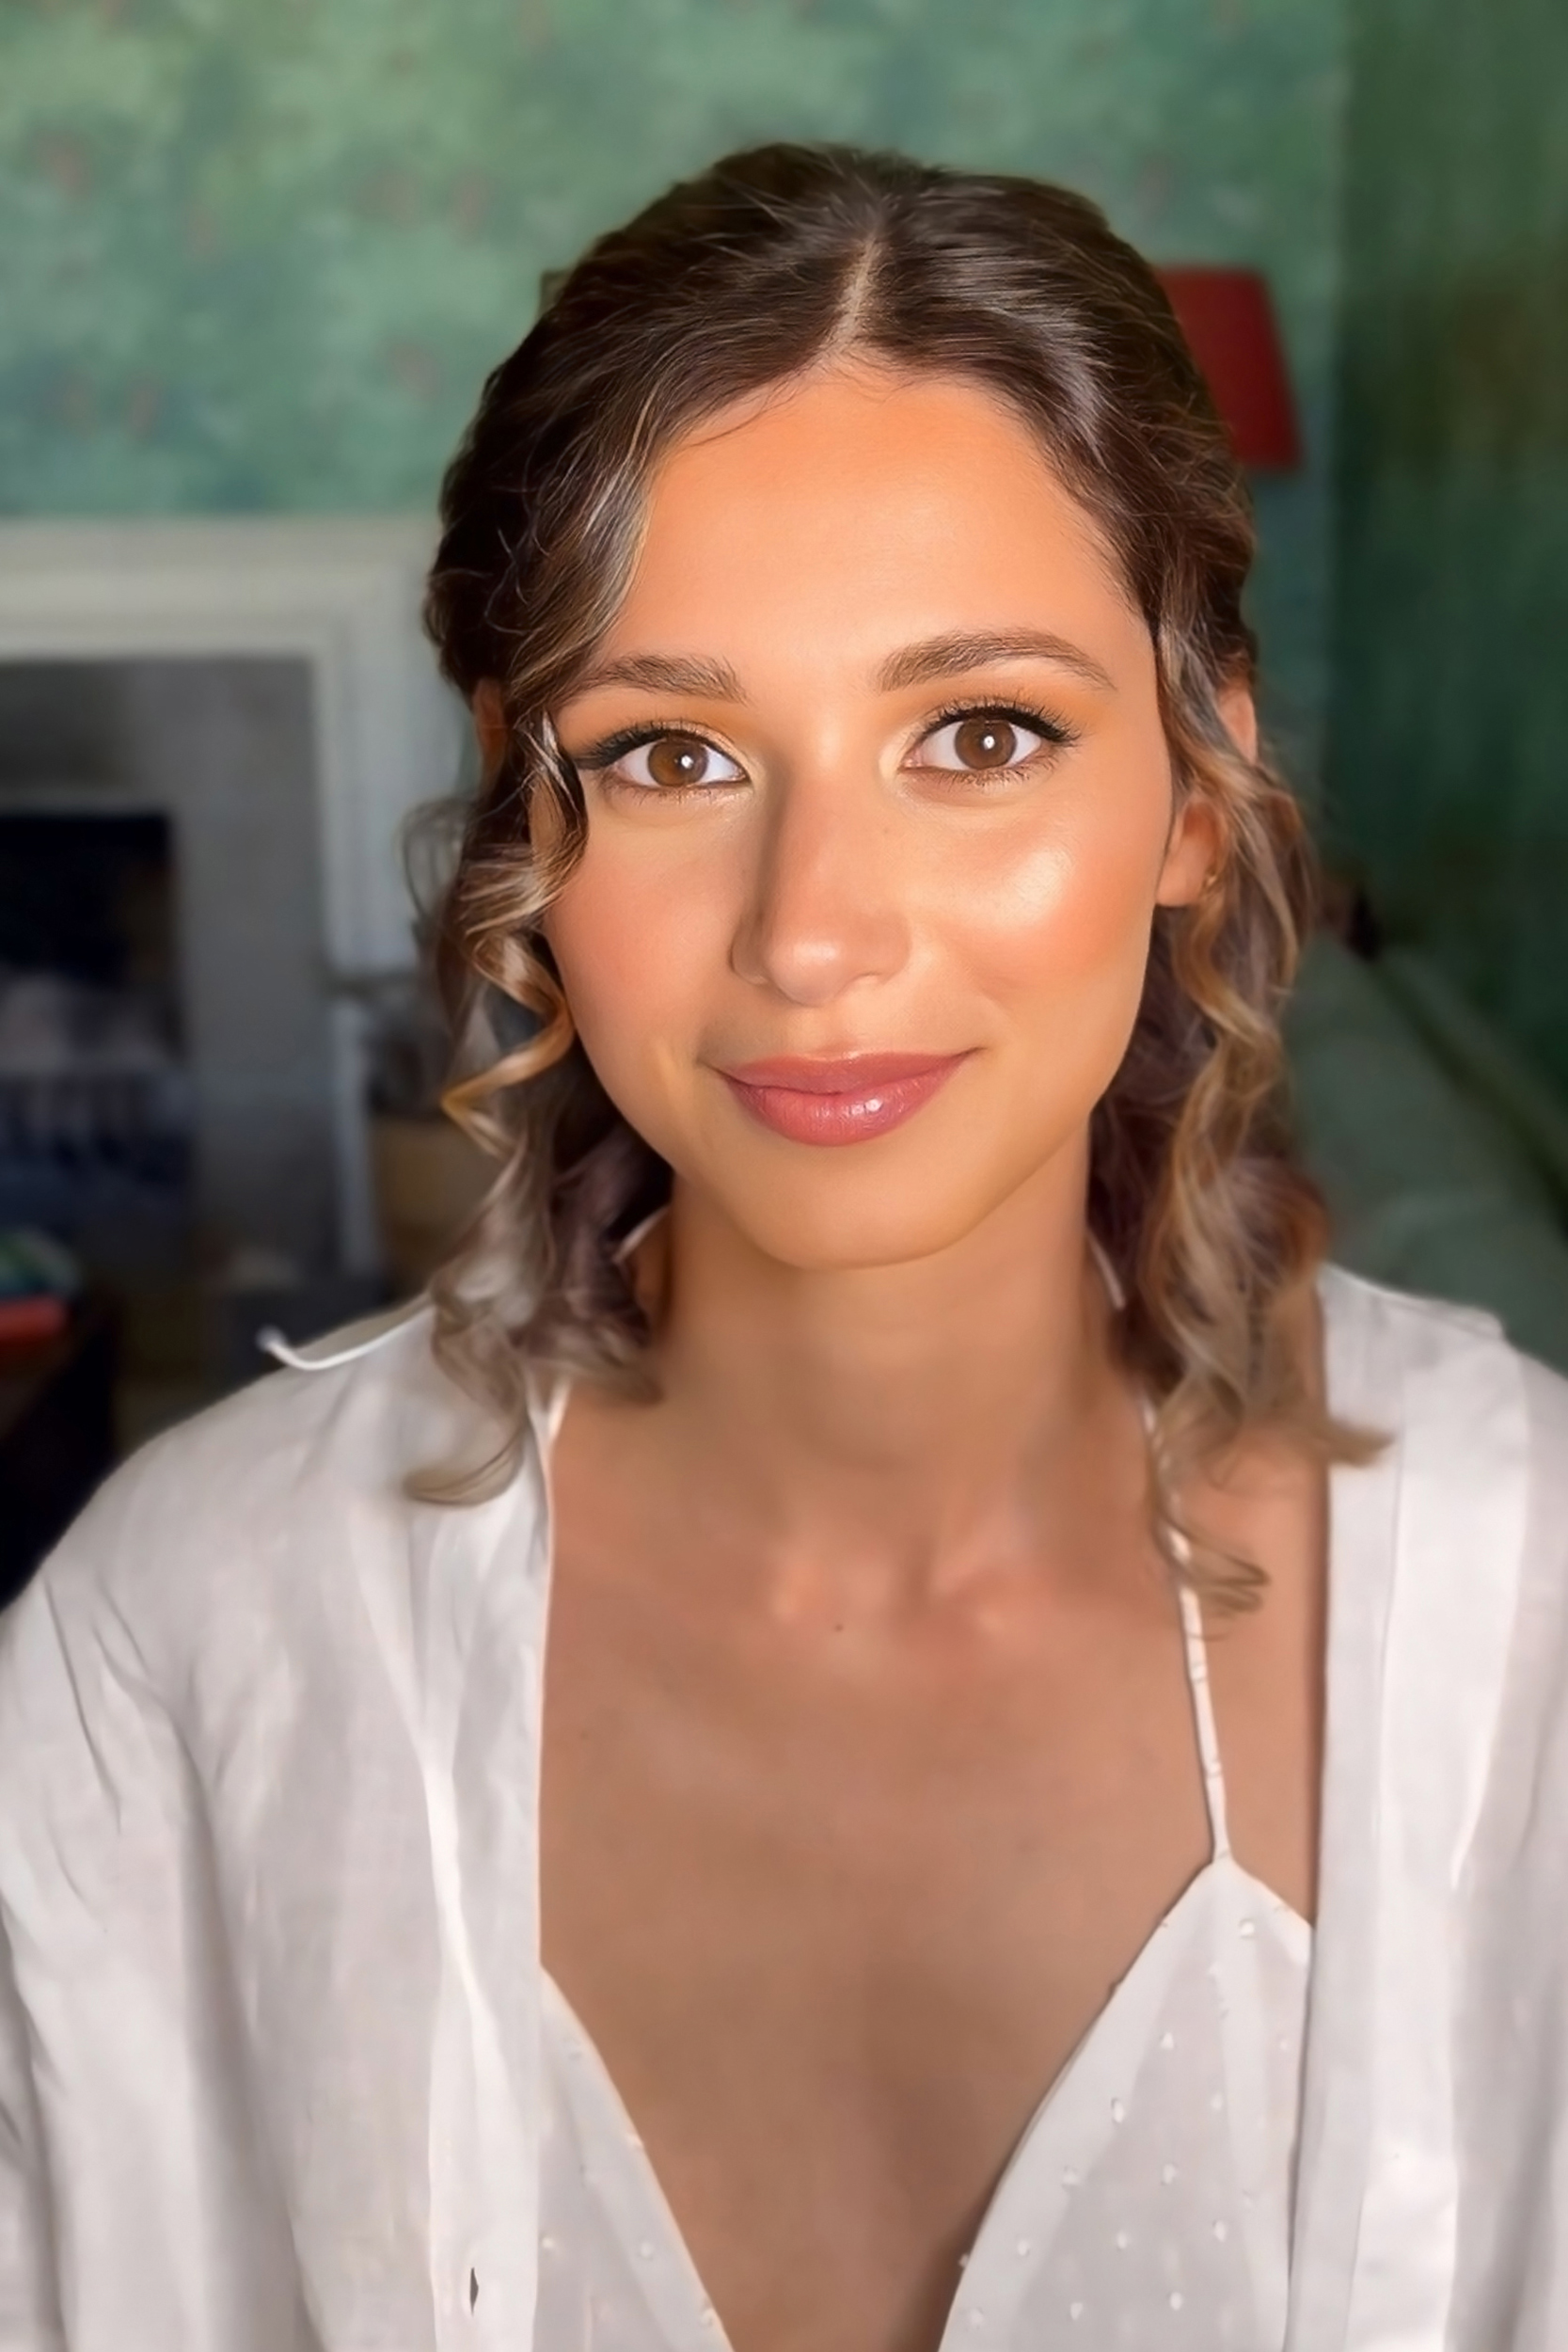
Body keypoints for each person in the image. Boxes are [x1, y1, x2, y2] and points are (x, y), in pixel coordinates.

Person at [1, 141, 1565, 2352]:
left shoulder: (1526, 1624)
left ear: (1199, 792)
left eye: (983, 733)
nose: (815, 935)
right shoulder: (177, 1640)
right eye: (670, 752)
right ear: (524, 816)